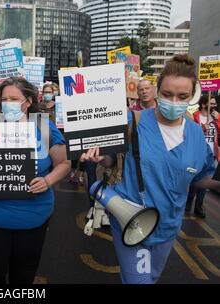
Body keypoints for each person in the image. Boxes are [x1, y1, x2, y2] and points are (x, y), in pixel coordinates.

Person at [80, 54, 220, 284]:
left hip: (168, 226)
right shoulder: (132, 120)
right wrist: (99, 156)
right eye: (167, 94)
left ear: (191, 96)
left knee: (151, 278)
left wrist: (216, 184)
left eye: (182, 96)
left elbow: (198, 177)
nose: (174, 101)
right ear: (157, 90)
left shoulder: (196, 134)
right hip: (130, 218)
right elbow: (111, 160)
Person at [0, 77, 70, 284]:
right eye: (4, 99)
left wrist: (48, 181)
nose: (8, 103)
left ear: (28, 101)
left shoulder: (44, 127)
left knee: (23, 276)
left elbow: (64, 164)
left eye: (14, 98)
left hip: (34, 218)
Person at [186, 94, 220, 218]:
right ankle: (189, 201)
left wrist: (218, 120)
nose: (214, 105)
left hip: (212, 155)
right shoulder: (194, 116)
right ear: (204, 104)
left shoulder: (216, 117)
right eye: (212, 103)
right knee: (195, 180)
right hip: (197, 154)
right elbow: (189, 133)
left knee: (206, 182)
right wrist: (202, 129)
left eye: (215, 103)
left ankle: (198, 206)